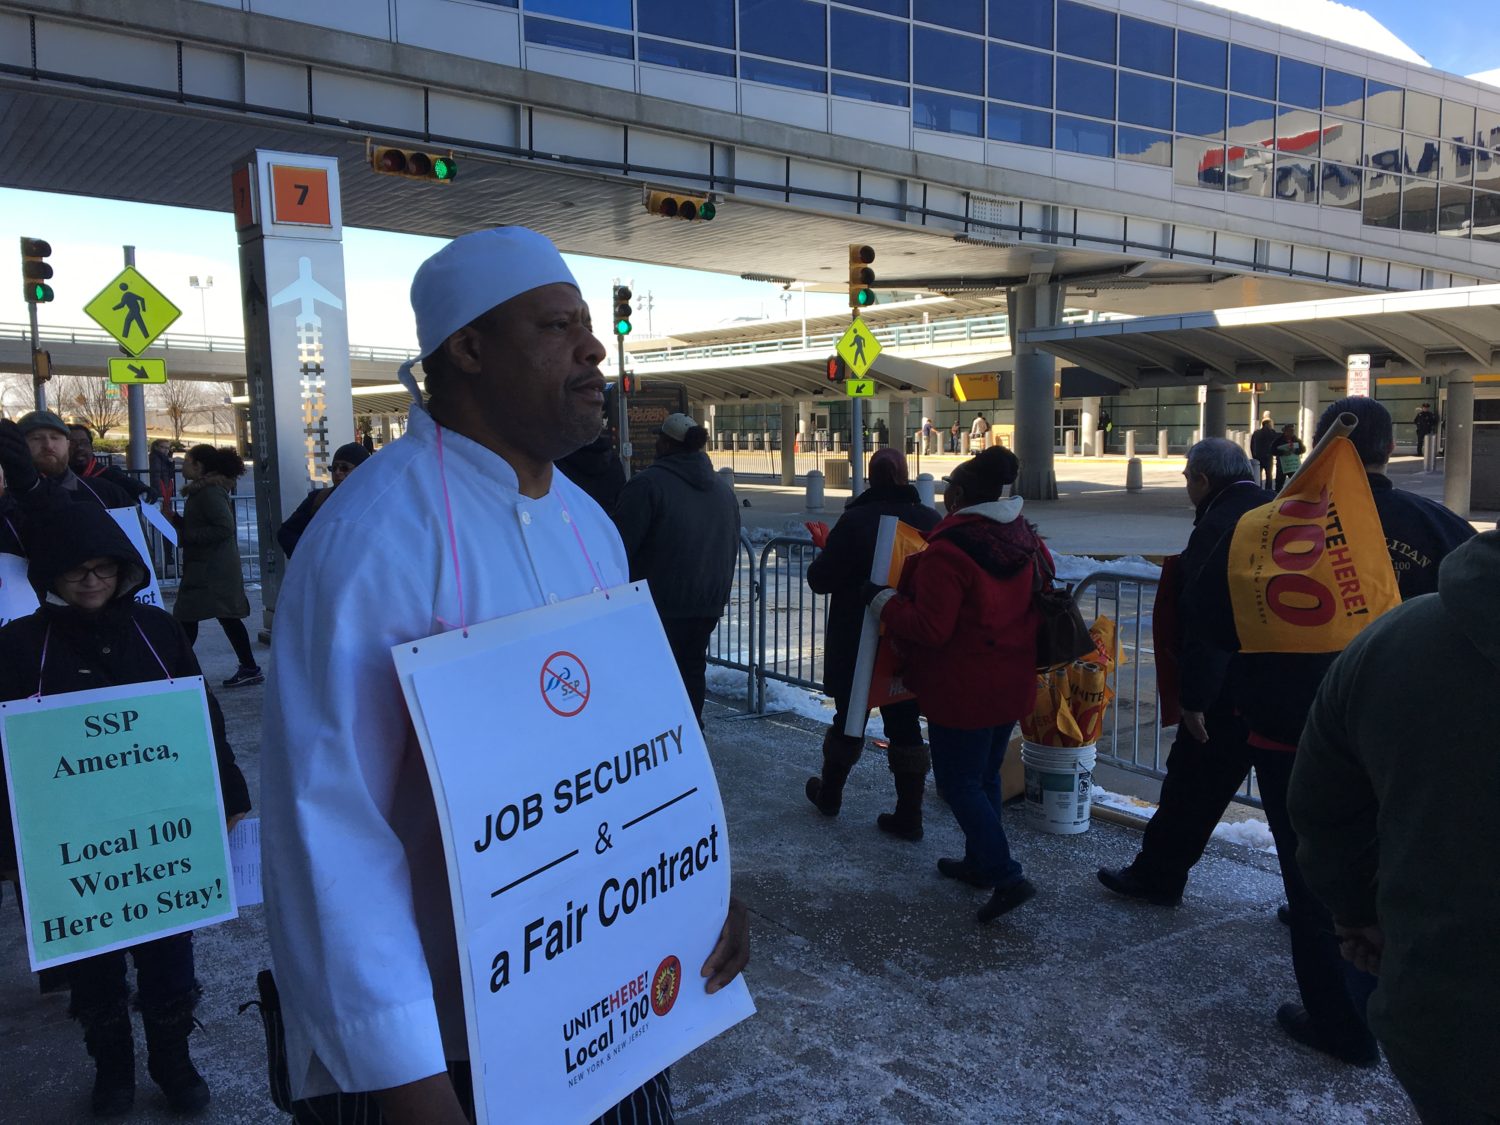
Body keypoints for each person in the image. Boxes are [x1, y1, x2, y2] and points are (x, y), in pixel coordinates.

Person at [260, 227, 748, 1124]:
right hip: (446, 1051)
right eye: (557, 326)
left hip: (616, 1010)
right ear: (469, 350)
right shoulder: (374, 540)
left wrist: (700, 886)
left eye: (588, 325)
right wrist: (408, 1075)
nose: (593, 347)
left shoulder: (587, 526)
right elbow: (331, 831)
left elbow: (633, 751)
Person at [1177, 396, 1475, 1066]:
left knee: (1316, 885)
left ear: (1316, 445)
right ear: (1390, 448)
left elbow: (1209, 617)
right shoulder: (1440, 526)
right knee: (1406, 873)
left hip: (1295, 737)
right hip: (1414, 745)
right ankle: (1402, 1004)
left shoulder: (1266, 525)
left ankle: (1341, 1021)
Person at [0, 503, 250, 1117]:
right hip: (71, 845)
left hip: (161, 837)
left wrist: (231, 794)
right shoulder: (19, 645)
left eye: (105, 568)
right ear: (49, 575)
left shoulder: (156, 631)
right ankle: (110, 1064)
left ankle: (173, 1059)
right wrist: (9, 846)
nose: (91, 581)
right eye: (76, 570)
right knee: (93, 964)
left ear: (125, 570)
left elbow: (202, 718)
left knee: (169, 952)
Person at [1291, 531, 1500, 1125]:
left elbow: (1324, 809)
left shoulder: (1399, 641)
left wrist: (1361, 912)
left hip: (1448, 1031)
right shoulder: (1432, 525)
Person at [863, 446, 1045, 923]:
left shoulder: (950, 551)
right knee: (982, 777)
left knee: (957, 784)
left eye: (948, 490)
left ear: (959, 494)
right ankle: (980, 863)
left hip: (962, 687)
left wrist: (883, 602)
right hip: (1011, 681)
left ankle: (1006, 875)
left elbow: (930, 627)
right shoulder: (1024, 536)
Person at [1096, 439, 1271, 906]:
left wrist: (1194, 699)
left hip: (1230, 691)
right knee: (1291, 802)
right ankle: (1314, 904)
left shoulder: (1219, 524)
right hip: (1282, 687)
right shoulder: (1275, 509)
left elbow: (1208, 621)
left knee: (1191, 789)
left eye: (1188, 479)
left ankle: (1158, 877)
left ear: (1202, 479)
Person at [803, 447, 941, 839]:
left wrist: (831, 553)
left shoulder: (856, 520)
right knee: (905, 723)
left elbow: (820, 580)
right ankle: (909, 813)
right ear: (905, 476)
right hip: (906, 638)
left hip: (857, 639)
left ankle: (830, 794)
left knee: (849, 719)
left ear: (869, 476)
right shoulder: (930, 520)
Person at [612, 411, 740, 724]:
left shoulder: (647, 486)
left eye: (659, 437)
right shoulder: (723, 491)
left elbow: (618, 549)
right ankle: (691, 738)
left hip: (657, 605)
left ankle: (659, 746)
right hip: (706, 605)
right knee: (692, 671)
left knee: (651, 677)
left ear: (667, 444)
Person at [163, 445, 262, 688]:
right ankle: (248, 667)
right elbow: (204, 525)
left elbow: (224, 527)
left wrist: (186, 535)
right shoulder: (204, 491)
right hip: (209, 568)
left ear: (199, 466)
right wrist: (176, 520)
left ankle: (174, 671)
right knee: (219, 617)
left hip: (211, 571)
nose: (182, 464)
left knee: (189, 617)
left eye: (187, 460)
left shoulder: (209, 492)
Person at [18, 411, 134, 510]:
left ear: (67, 444)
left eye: (55, 437)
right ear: (21, 445)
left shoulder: (108, 493)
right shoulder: (8, 505)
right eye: (36, 438)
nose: (48, 445)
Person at [276, 442, 369, 559]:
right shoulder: (318, 498)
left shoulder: (375, 502)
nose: (337, 472)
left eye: (344, 468)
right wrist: (312, 552)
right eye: (333, 468)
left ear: (361, 470)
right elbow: (286, 533)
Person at [68, 425, 152, 502]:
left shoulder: (107, 474)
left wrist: (143, 489)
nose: (79, 447)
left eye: (84, 443)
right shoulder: (57, 477)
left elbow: (129, 484)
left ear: (91, 446)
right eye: (72, 444)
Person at [556, 428, 626, 513]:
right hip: (605, 519)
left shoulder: (559, 462)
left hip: (569, 520)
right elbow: (621, 501)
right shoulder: (613, 462)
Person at [1248, 413, 1278, 489]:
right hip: (1268, 457)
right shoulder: (1271, 432)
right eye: (1270, 424)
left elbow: (1251, 445)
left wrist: (1253, 455)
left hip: (1258, 456)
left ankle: (1259, 487)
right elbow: (1277, 442)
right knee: (1269, 475)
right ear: (1267, 424)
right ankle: (1268, 489)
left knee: (1259, 475)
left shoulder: (1256, 433)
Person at [1272, 423, 1305, 491]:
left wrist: (1295, 451)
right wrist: (1283, 452)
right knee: (1279, 483)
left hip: (1293, 465)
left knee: (1295, 481)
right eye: (1289, 431)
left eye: (1292, 431)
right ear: (1285, 431)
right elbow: (1272, 450)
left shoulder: (1296, 440)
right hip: (1282, 465)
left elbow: (1303, 449)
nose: (1291, 432)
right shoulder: (1278, 440)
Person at [148, 438, 177, 503]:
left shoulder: (165, 458)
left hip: (165, 484)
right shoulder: (155, 457)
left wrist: (171, 463)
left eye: (168, 448)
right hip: (161, 486)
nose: (166, 450)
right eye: (163, 447)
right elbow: (155, 475)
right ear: (156, 447)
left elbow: (171, 474)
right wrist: (158, 490)